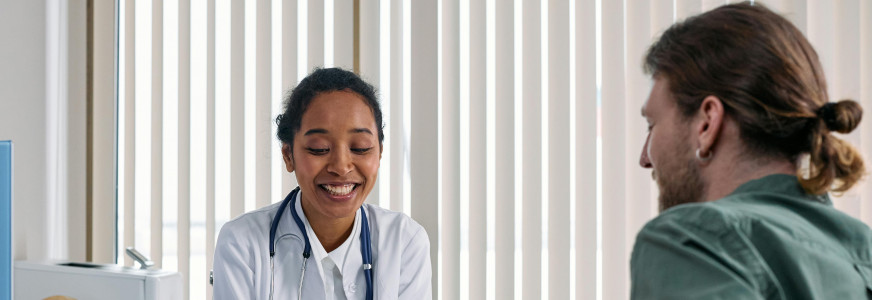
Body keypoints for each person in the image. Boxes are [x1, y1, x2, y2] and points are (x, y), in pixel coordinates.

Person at [632, 2, 871, 299]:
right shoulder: (863, 252)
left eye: (652, 124)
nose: (644, 158)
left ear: (707, 123)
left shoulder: (692, 240)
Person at [213, 68, 432, 300]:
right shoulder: (242, 243)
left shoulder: (404, 241)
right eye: (319, 148)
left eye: (360, 147)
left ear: (379, 153)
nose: (341, 166)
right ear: (288, 155)